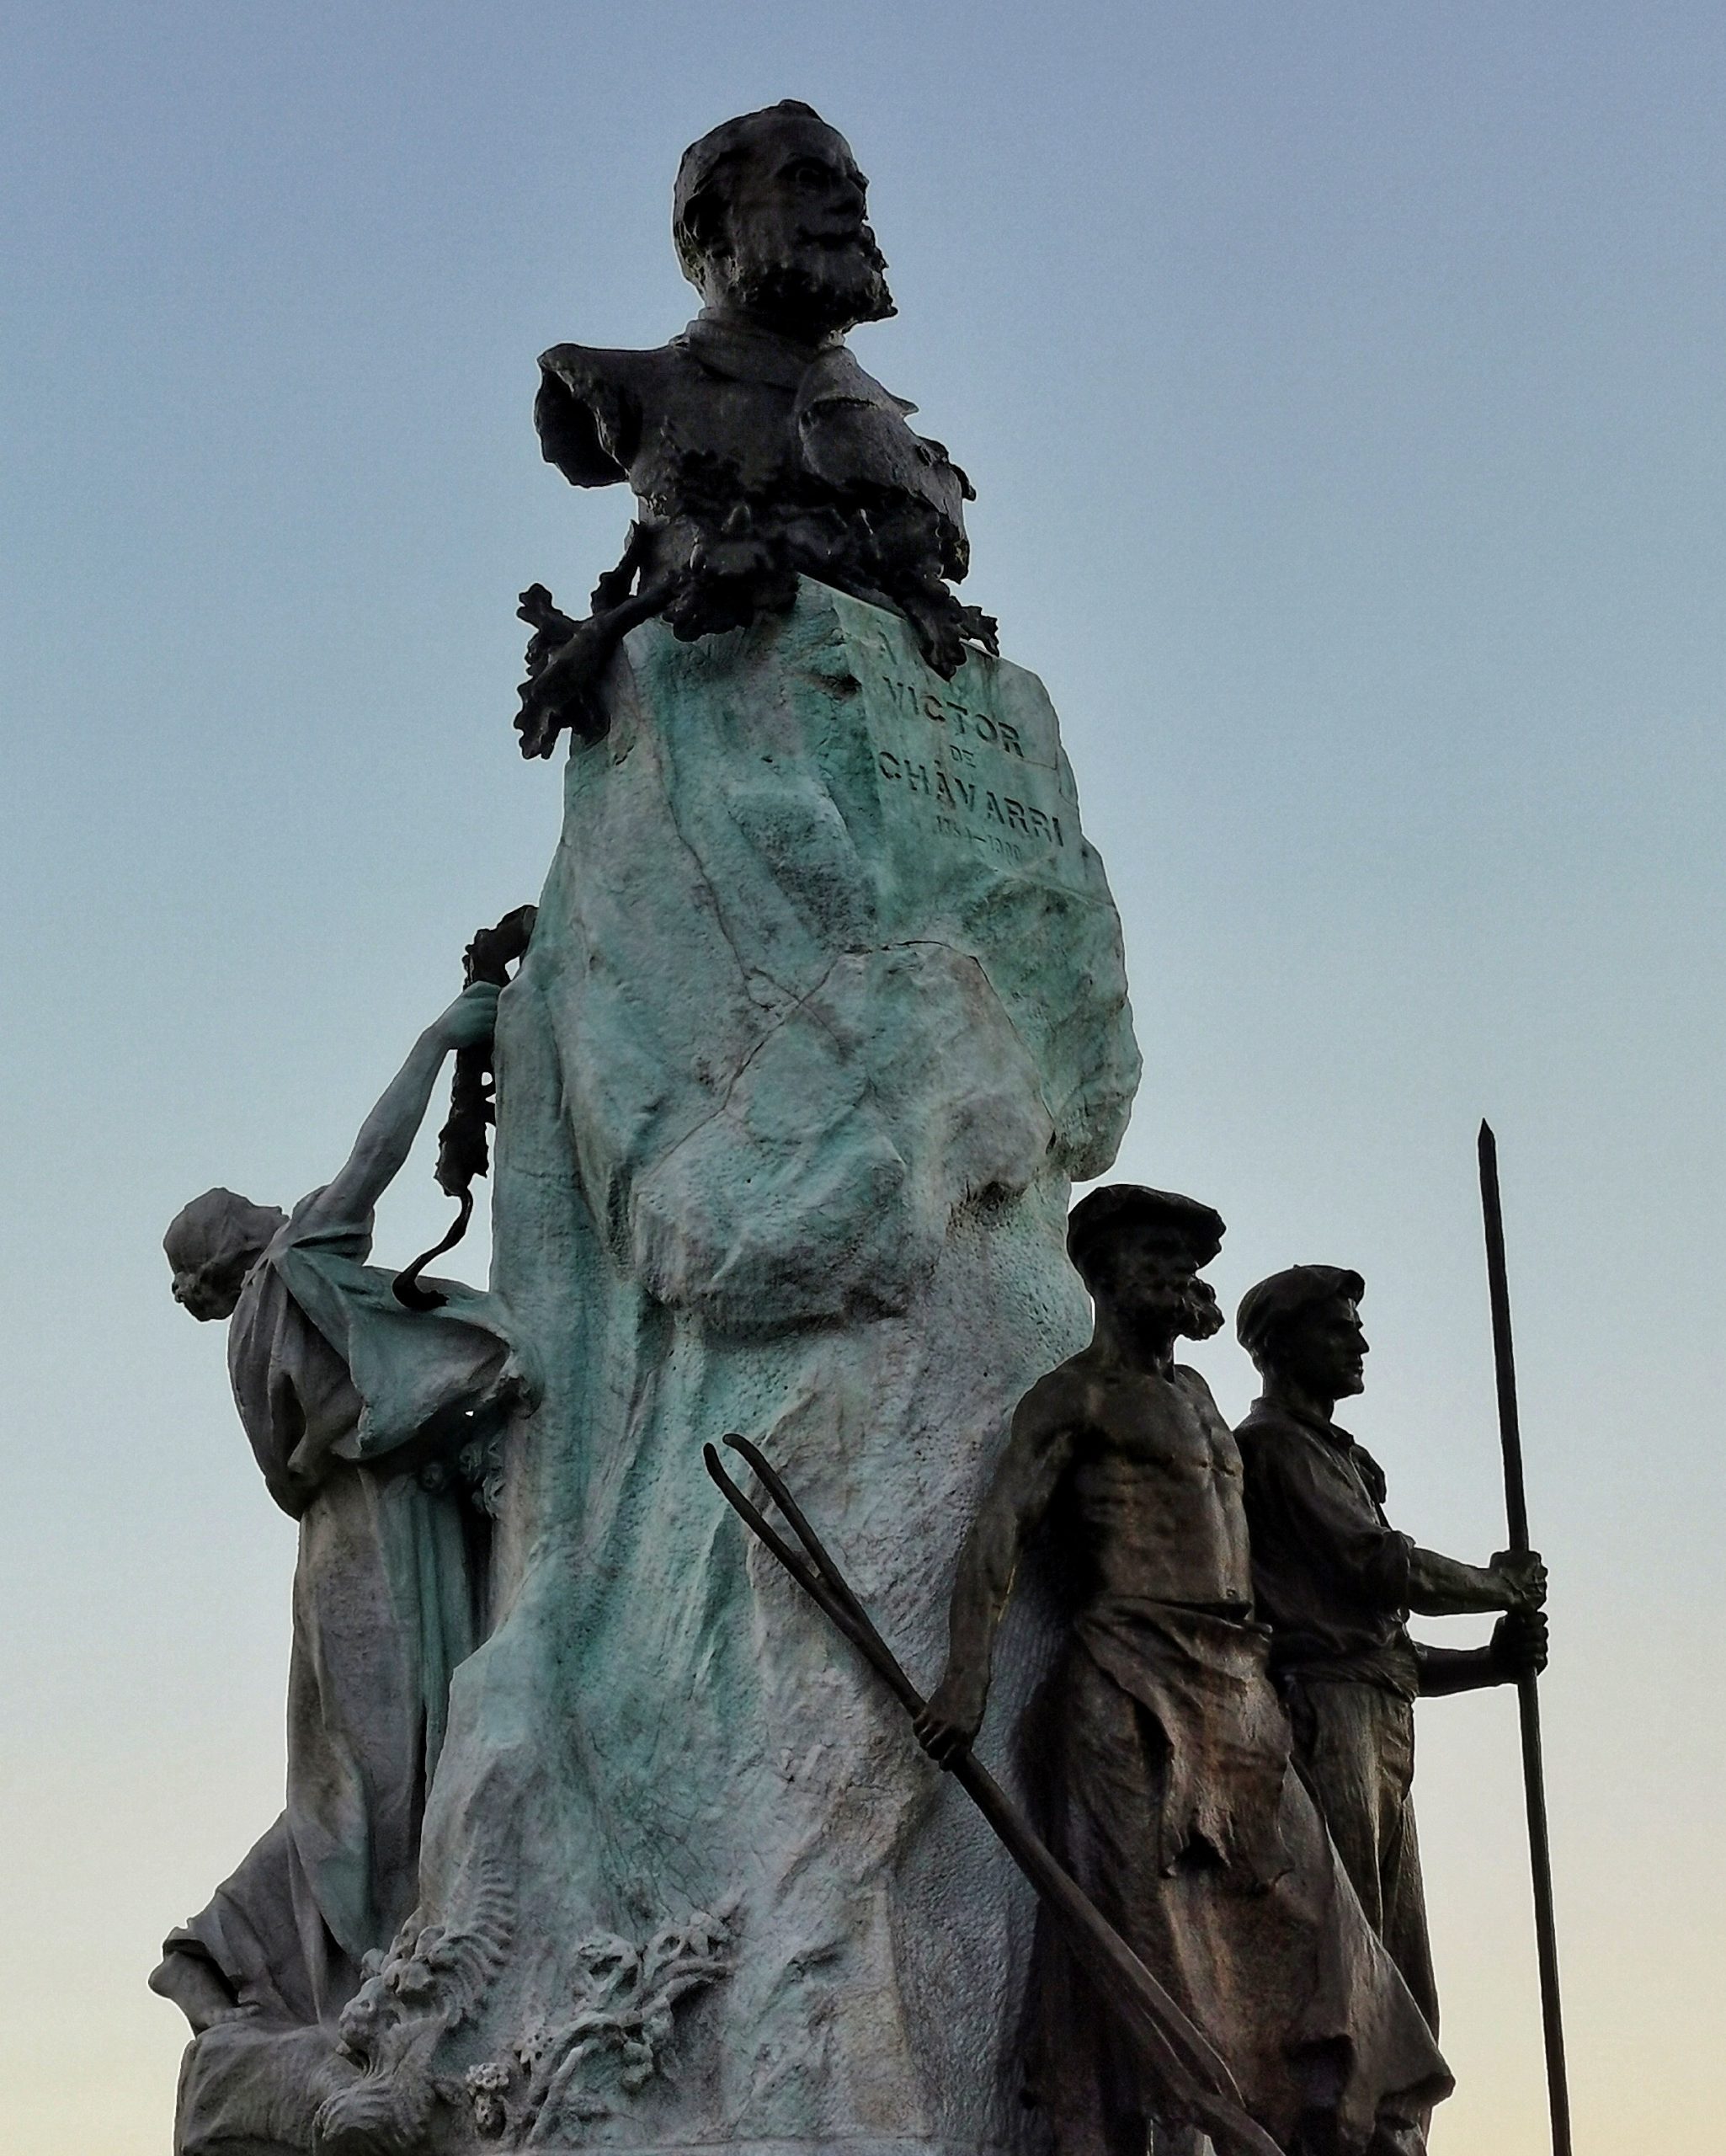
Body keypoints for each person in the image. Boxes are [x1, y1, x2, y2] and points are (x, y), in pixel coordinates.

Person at [915, 1187, 1452, 2156]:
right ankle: (1178, 2124)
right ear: (1104, 1270)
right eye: (1159, 1254)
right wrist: (965, 1678)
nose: (1182, 1272)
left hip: (1238, 1691)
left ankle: (1329, 2122)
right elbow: (1000, 1534)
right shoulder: (1072, 1397)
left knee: (1321, 1923)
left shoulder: (1204, 1403)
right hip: (1130, 1677)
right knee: (1144, 1930)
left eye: (1189, 1256)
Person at [151, 981, 535, 2035]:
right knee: (387, 1779)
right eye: (254, 1212)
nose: (275, 1209)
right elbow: (376, 1156)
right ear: (241, 1240)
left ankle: (229, 1952)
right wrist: (437, 1040)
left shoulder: (250, 1328)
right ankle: (234, 1950)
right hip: (379, 1527)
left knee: (350, 1777)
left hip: (336, 1544)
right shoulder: (292, 1265)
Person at [518, 99, 996, 754]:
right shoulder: (621, 385)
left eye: (856, 188)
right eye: (808, 179)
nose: (853, 209)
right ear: (713, 224)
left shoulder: (893, 427)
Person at [1233, 1266, 1548, 2031]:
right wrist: (1497, 1586)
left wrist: (1491, 1665)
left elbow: (1387, 1652)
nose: (1360, 1341)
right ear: (1281, 1345)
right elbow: (1380, 1569)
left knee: (1403, 1985)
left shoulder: (1332, 1454)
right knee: (1347, 1965)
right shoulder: (1277, 1449)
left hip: (1375, 1723)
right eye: (1338, 1327)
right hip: (1327, 1724)